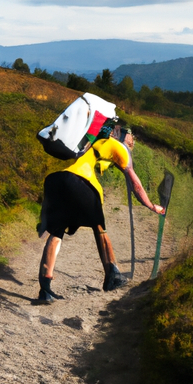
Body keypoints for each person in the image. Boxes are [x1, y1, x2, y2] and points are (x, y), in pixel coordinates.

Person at [37, 124, 165, 303]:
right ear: (122, 134)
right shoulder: (119, 147)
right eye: (131, 136)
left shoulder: (94, 142)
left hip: (57, 181)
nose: (133, 140)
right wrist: (152, 206)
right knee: (99, 228)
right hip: (79, 182)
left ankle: (45, 289)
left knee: (56, 233)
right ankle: (112, 274)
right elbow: (135, 184)